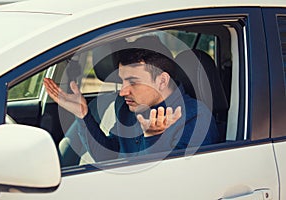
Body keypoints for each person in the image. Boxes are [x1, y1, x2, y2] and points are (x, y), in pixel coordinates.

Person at [43, 36, 220, 164]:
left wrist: (152, 138)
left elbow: (167, 185)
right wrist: (83, 116)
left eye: (133, 82)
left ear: (162, 81)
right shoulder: (128, 108)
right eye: (122, 80)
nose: (122, 91)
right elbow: (107, 156)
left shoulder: (196, 118)